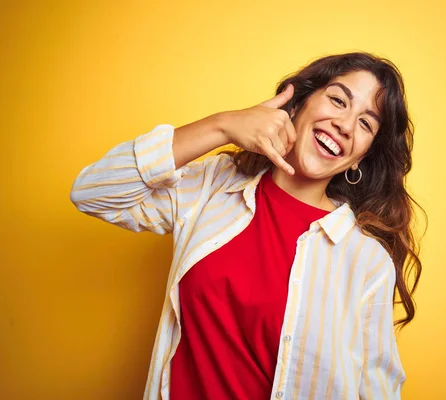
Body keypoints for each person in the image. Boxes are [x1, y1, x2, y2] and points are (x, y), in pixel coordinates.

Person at [70, 52, 423, 400]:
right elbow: (94, 191)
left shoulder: (365, 260)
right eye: (337, 100)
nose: (345, 125)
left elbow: (377, 389)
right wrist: (221, 126)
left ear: (362, 155)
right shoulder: (212, 187)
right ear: (297, 105)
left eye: (365, 123)